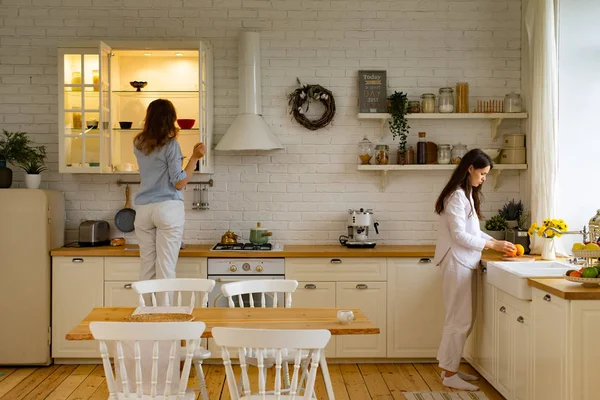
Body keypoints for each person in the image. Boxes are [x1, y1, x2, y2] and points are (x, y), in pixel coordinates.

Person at [433, 149, 516, 391]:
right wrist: (492, 244)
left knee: (460, 320)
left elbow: (472, 232)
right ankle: (449, 374)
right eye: (482, 173)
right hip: (456, 261)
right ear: (470, 168)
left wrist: (496, 243)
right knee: (459, 320)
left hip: (461, 261)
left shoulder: (465, 194)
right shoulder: (457, 196)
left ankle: (450, 368)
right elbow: (459, 235)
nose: (484, 178)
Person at [133, 99, 205, 300]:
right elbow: (179, 182)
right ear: (171, 119)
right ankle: (165, 321)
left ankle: (146, 316)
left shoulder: (138, 143)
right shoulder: (171, 145)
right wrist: (194, 158)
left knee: (147, 266)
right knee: (165, 266)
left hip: (143, 210)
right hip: (167, 208)